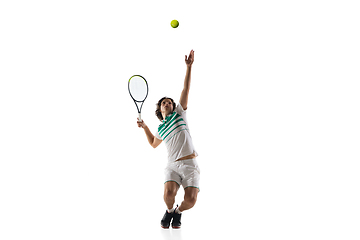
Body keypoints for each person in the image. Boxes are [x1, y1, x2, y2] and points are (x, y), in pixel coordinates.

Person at [136, 50, 200, 229]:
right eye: (164, 102)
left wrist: (189, 67)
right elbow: (153, 144)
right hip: (172, 164)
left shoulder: (180, 114)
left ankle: (178, 212)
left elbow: (185, 89)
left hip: (190, 164)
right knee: (168, 195)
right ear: (160, 109)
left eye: (170, 102)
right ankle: (169, 210)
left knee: (191, 200)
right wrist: (145, 127)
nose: (168, 103)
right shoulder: (161, 128)